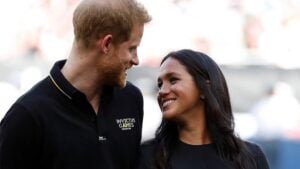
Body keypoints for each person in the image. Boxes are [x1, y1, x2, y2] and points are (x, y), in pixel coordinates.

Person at [0, 0, 151, 169]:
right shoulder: (27, 116)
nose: (136, 60)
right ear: (107, 44)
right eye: (132, 48)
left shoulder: (131, 99)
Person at [137, 49, 270, 169]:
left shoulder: (250, 157)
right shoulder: (148, 156)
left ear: (203, 88)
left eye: (173, 80)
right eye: (160, 85)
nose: (162, 91)